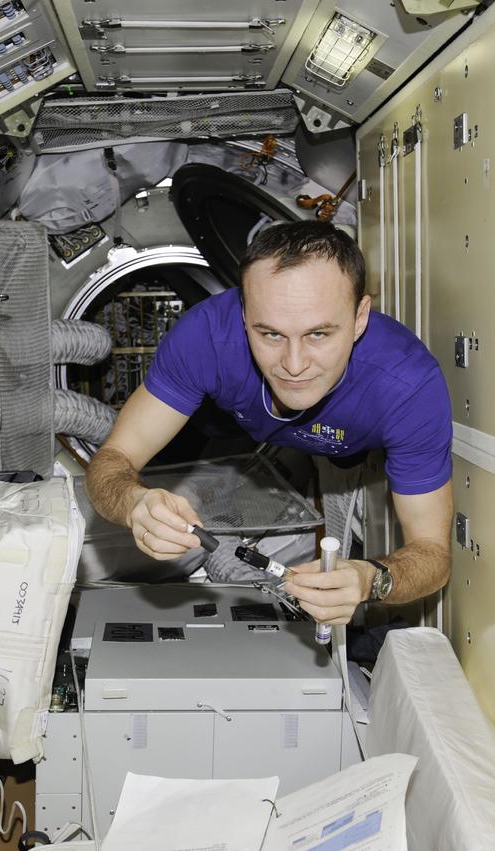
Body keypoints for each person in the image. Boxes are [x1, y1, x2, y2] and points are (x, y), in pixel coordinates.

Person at [84, 220, 453, 625]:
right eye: (271, 334)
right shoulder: (205, 338)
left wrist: (371, 579)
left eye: (318, 334)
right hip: (230, 420)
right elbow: (111, 461)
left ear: (360, 316)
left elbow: (433, 553)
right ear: (244, 315)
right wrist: (134, 505)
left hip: (350, 444)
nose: (294, 365)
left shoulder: (408, 386)